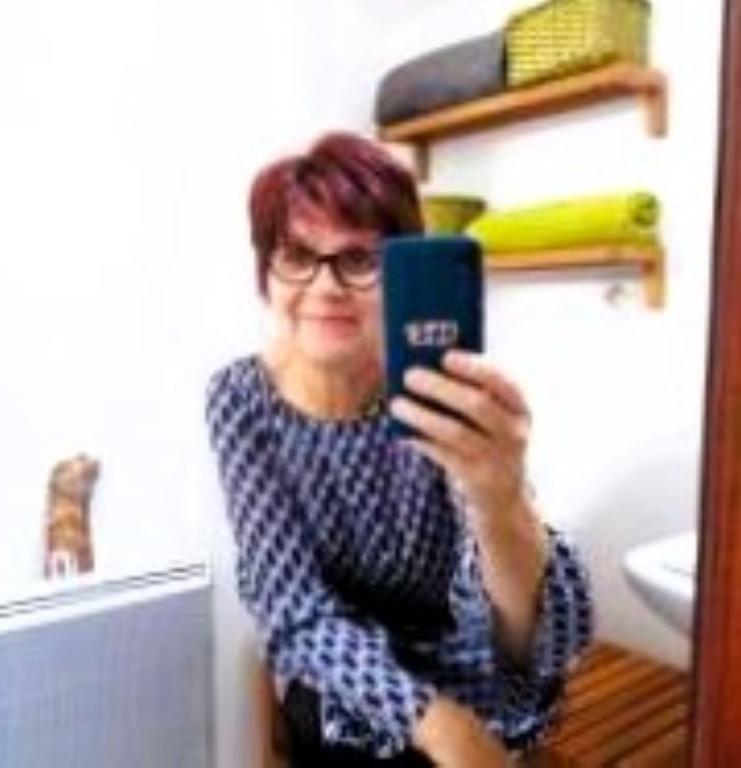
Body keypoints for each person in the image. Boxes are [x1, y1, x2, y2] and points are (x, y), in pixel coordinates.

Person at [205, 132, 594, 767]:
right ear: (266, 274)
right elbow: (294, 611)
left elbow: (519, 636)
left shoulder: (436, 386)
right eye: (297, 255)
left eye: (360, 258)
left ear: (401, 272)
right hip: (335, 659)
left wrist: (502, 501)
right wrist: (443, 728)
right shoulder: (241, 397)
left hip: (455, 652)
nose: (326, 285)